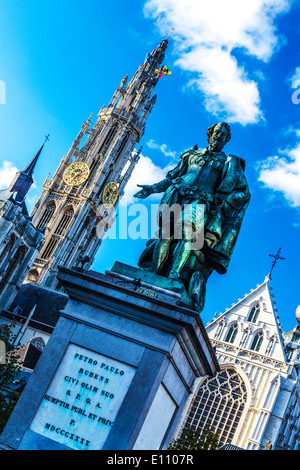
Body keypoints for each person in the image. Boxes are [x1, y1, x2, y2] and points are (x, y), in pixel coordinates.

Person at [134, 122, 251, 313]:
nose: (219, 136)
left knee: (189, 238)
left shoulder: (227, 162)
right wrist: (152, 188)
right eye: (216, 132)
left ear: (226, 140)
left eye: (223, 135)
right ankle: (154, 274)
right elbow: (172, 177)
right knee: (166, 236)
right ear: (210, 135)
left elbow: (241, 190)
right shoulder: (191, 155)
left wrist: (223, 204)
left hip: (202, 201)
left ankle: (174, 275)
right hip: (177, 194)